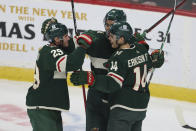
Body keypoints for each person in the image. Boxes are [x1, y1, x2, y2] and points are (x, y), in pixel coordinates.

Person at [70, 21, 164, 131]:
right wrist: (157, 57)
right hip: (141, 110)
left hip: (123, 110)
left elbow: (112, 84)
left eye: (112, 36)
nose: (109, 38)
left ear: (122, 39)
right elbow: (151, 64)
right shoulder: (141, 49)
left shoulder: (118, 57)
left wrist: (90, 78)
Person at [25, 19, 94, 131]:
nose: (68, 38)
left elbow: (71, 47)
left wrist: (79, 41)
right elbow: (72, 63)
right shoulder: (49, 52)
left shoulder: (58, 49)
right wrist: (82, 47)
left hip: (48, 106)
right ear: (57, 39)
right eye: (65, 36)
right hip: (42, 107)